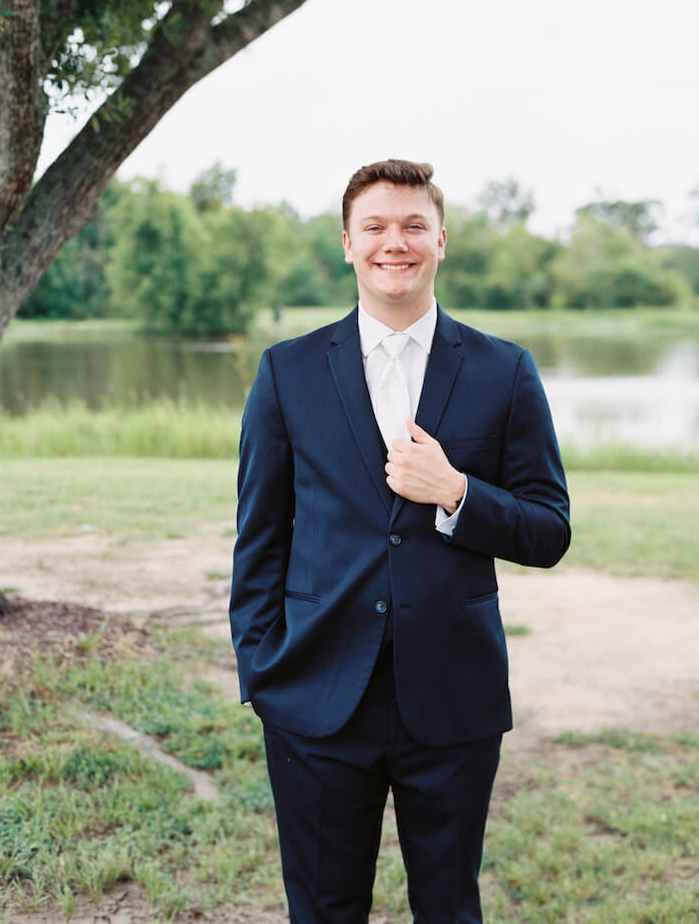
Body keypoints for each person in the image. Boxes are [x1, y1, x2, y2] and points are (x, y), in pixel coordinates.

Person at [230, 159, 570, 923]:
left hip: (454, 697)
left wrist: (456, 491)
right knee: (322, 908)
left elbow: (550, 528)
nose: (396, 242)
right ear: (347, 244)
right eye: (376, 227)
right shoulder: (286, 372)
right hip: (315, 695)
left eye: (414, 226)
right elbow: (259, 538)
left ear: (441, 241)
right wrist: (262, 670)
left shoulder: (504, 370)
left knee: (451, 907)